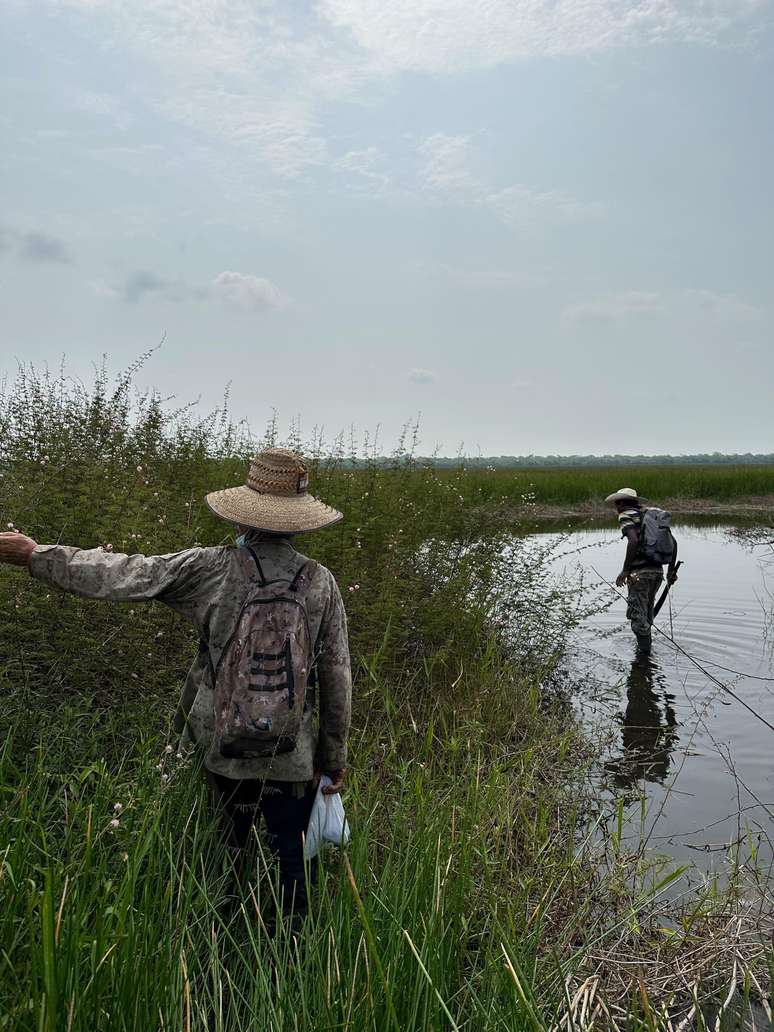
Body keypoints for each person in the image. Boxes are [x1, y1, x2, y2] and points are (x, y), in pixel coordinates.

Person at [0, 447, 352, 928]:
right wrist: (331, 760)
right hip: (293, 756)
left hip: (221, 751)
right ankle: (293, 962)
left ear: (245, 514)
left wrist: (35, 555)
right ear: (297, 520)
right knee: (292, 869)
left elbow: (124, 574)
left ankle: (215, 961)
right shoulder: (321, 584)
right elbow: (336, 679)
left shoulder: (212, 569)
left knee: (223, 863)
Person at [605, 487, 678, 653]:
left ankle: (643, 661)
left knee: (638, 618)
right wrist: (671, 571)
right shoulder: (652, 516)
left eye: (617, 504)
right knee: (646, 616)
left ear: (622, 503)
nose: (616, 508)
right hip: (657, 573)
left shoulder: (626, 515)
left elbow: (633, 541)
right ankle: (646, 656)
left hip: (639, 574)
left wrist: (625, 571)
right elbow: (673, 543)